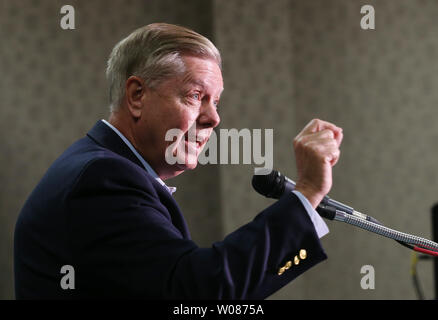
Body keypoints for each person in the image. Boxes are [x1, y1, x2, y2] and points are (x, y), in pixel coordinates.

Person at [14, 23, 343, 299]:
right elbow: (197, 293)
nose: (214, 118)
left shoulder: (100, 167)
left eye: (216, 102)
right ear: (137, 96)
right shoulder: (102, 178)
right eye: (196, 96)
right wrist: (309, 190)